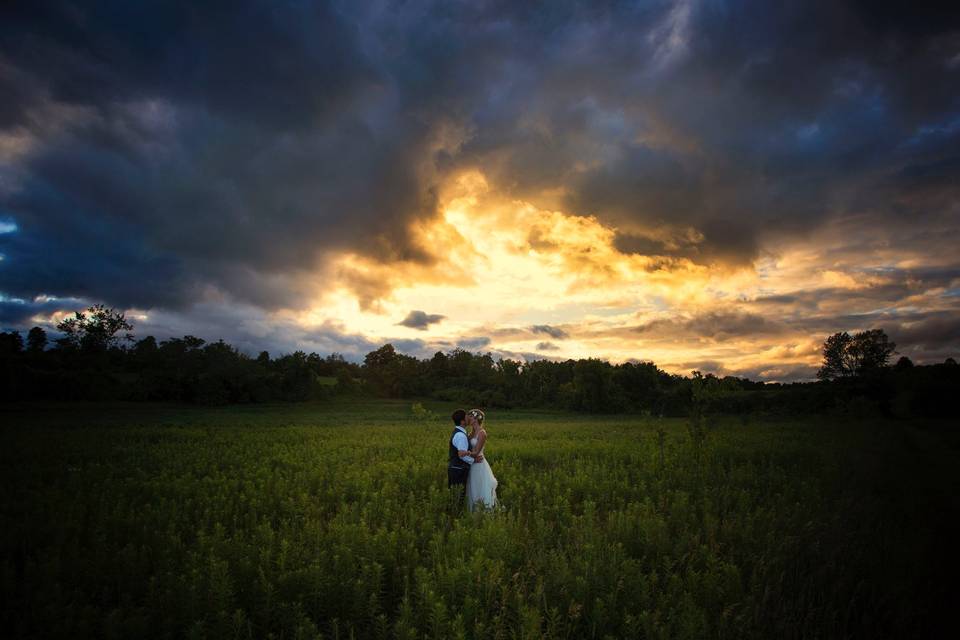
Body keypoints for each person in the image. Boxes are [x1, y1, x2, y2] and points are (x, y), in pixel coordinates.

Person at [465, 408, 498, 511]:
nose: (468, 418)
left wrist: (464, 454)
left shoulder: (482, 433)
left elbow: (476, 452)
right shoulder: (470, 433)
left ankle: (482, 510)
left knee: (479, 486)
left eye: (470, 416)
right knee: (472, 487)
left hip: (479, 464)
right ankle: (473, 510)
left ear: (475, 418)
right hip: (471, 463)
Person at [447, 409, 476, 502]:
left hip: (456, 468)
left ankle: (453, 513)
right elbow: (462, 455)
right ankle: (454, 514)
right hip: (458, 469)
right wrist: (474, 460)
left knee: (456, 495)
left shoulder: (460, 433)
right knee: (457, 496)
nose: (469, 418)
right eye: (467, 416)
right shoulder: (460, 435)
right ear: (462, 421)